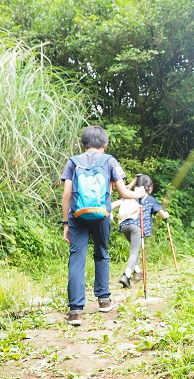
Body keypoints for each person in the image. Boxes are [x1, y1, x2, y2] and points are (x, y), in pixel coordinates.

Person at [61, 126, 146, 326]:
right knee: (101, 253)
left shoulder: (73, 161)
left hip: (77, 215)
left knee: (77, 259)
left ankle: (75, 311)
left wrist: (66, 222)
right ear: (105, 144)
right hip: (101, 215)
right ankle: (104, 300)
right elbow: (124, 193)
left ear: (83, 143)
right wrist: (140, 194)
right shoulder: (109, 161)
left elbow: (66, 194)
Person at [112, 174, 169, 288]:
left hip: (124, 226)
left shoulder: (130, 196)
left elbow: (116, 204)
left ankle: (137, 271)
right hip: (137, 227)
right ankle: (126, 275)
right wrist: (166, 212)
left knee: (135, 248)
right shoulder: (151, 200)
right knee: (134, 251)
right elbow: (163, 215)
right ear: (150, 187)